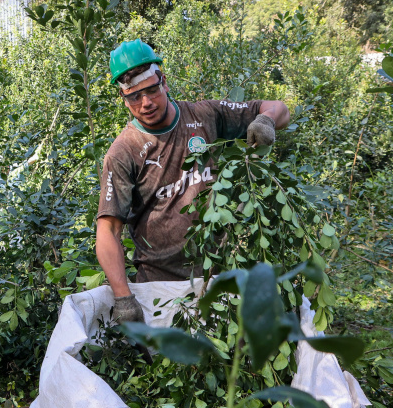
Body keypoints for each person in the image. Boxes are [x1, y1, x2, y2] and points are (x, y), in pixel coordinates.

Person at [96, 39, 290, 323]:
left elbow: (277, 108)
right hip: (159, 288)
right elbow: (108, 231)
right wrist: (123, 297)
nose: (146, 103)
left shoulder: (204, 115)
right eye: (134, 97)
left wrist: (266, 121)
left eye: (151, 90)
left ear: (164, 82)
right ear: (124, 99)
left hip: (220, 275)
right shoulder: (123, 152)